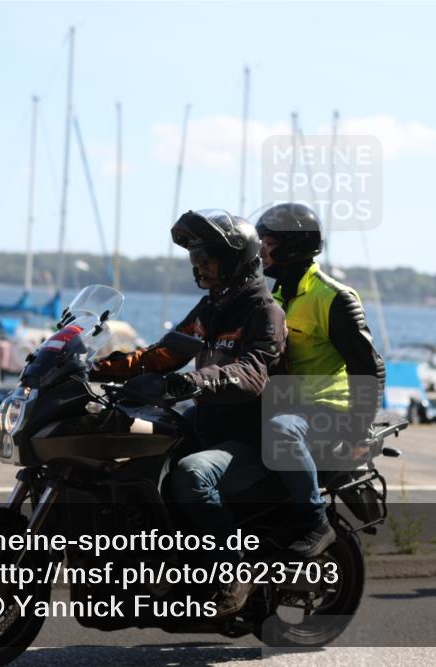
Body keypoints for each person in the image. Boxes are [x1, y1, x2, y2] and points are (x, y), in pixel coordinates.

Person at [93, 209, 286, 617]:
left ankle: (234, 572)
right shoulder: (209, 308)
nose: (198, 264)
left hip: (252, 439)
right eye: (195, 256)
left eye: (208, 255)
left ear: (236, 260)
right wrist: (96, 366)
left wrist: (198, 382)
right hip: (207, 427)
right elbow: (165, 353)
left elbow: (252, 372)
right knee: (133, 463)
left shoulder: (264, 312)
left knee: (193, 475)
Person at [255, 203, 385, 557]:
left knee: (281, 431)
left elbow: (370, 369)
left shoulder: (333, 297)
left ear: (294, 246)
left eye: (269, 242)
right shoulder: (276, 295)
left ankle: (315, 522)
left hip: (328, 409)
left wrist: (358, 434)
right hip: (289, 404)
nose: (261, 250)